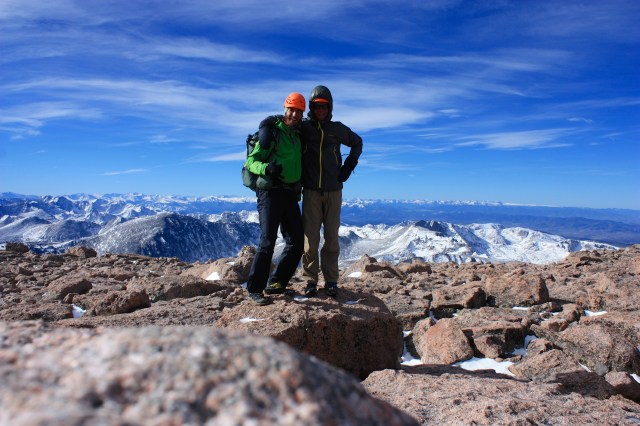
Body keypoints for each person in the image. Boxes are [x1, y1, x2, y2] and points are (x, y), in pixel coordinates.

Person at [300, 85, 363, 298]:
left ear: (330, 107)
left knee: (331, 238)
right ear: (311, 107)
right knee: (310, 239)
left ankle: (331, 280)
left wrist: (348, 166)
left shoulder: (337, 129)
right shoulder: (304, 127)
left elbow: (357, 143)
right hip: (310, 191)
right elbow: (284, 126)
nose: (320, 110)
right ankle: (310, 280)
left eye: (324, 106)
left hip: (334, 191)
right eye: (316, 106)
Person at [243, 92, 306, 305]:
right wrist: (266, 168)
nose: (295, 114)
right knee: (268, 241)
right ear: (285, 108)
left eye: (299, 111)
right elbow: (251, 161)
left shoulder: (297, 134)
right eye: (292, 109)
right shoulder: (272, 133)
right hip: (270, 192)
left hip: (289, 193)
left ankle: (277, 282)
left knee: (297, 241)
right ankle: (254, 289)